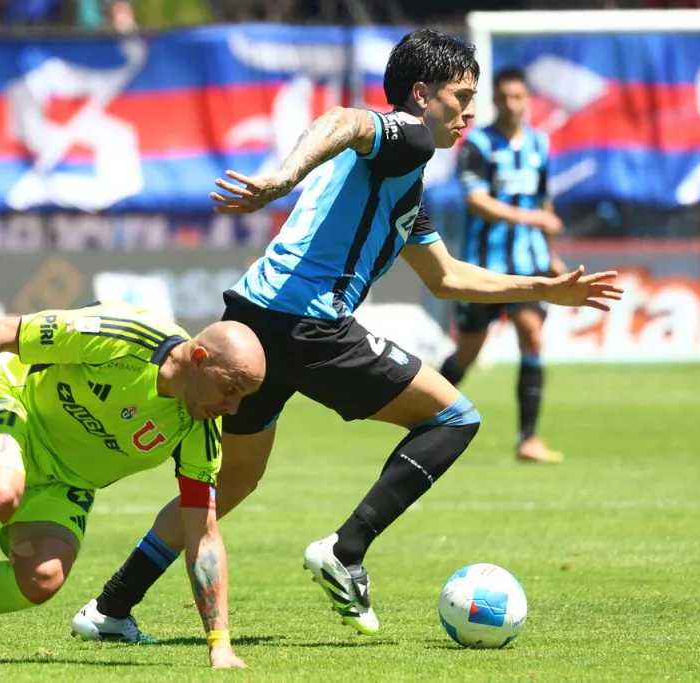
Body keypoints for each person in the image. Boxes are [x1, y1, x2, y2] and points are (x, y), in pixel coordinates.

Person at [69, 29, 623, 642]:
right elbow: (343, 118)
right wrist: (280, 179)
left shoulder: (401, 180)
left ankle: (109, 608)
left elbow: (447, 277)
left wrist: (544, 288)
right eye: (461, 96)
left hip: (254, 320)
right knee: (455, 419)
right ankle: (346, 548)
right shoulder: (406, 138)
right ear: (421, 95)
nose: (470, 111)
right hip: (308, 325)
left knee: (231, 483)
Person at [0, 302, 265, 669]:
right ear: (199, 359)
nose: (232, 408)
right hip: (13, 406)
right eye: (230, 388)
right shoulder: (122, 337)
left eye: (243, 397)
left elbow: (203, 534)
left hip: (67, 481)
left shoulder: (200, 427)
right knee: (0, 493)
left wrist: (220, 644)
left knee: (42, 579)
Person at [438, 66, 568, 464]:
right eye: (504, 98)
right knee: (467, 354)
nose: (512, 105)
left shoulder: (540, 145)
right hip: (485, 268)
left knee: (531, 334)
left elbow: (543, 201)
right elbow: (478, 202)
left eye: (519, 98)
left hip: (530, 266)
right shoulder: (477, 144)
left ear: (528, 100)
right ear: (494, 100)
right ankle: (425, 412)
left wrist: (551, 255)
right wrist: (534, 220)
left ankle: (528, 438)